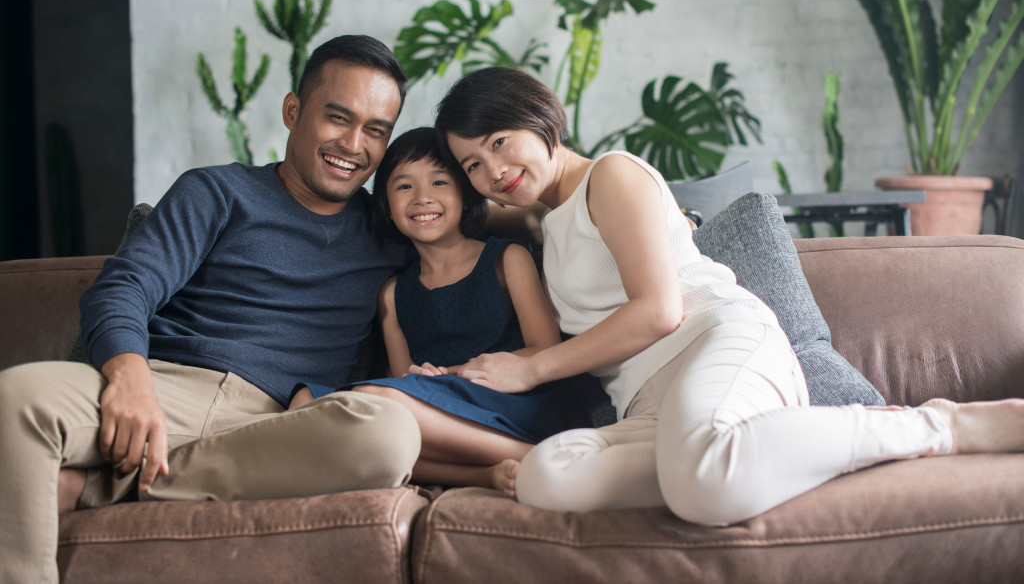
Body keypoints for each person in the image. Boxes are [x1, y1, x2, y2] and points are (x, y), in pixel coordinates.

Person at [434, 66, 1024, 526]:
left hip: (717, 343)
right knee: (547, 478)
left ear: (540, 119)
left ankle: (934, 428)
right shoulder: (543, 227)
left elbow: (660, 311)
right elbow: (459, 232)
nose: (494, 169)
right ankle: (763, 448)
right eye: (474, 164)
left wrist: (531, 367)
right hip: (648, 403)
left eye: (500, 141)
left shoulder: (611, 175)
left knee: (705, 486)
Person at [0, 34, 423, 582]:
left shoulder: (391, 228)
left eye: (376, 131)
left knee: (389, 433)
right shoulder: (216, 192)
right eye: (337, 118)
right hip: (164, 388)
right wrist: (129, 376)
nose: (353, 144)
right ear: (293, 111)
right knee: (15, 400)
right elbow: (125, 284)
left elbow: (474, 229)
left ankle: (98, 487)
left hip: (277, 426)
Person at [289, 126, 592, 495]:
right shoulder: (393, 293)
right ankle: (481, 475)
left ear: (466, 193)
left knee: (375, 406)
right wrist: (422, 377)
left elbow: (544, 348)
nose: (421, 198)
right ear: (385, 202)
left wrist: (452, 372)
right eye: (403, 186)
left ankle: (533, 453)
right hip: (436, 413)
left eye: (439, 183)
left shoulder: (506, 259)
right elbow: (404, 381)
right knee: (304, 404)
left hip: (513, 401)